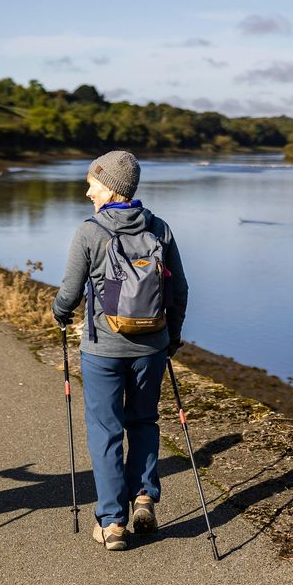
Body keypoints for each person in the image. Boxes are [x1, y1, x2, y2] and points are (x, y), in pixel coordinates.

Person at [51, 151, 188, 551]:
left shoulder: (90, 231)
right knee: (144, 421)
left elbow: (70, 293)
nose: (86, 189)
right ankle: (143, 497)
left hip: (103, 349)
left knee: (106, 429)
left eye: (92, 182)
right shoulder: (159, 228)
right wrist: (171, 338)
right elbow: (179, 290)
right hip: (152, 347)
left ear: (110, 187)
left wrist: (59, 313)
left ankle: (112, 522)